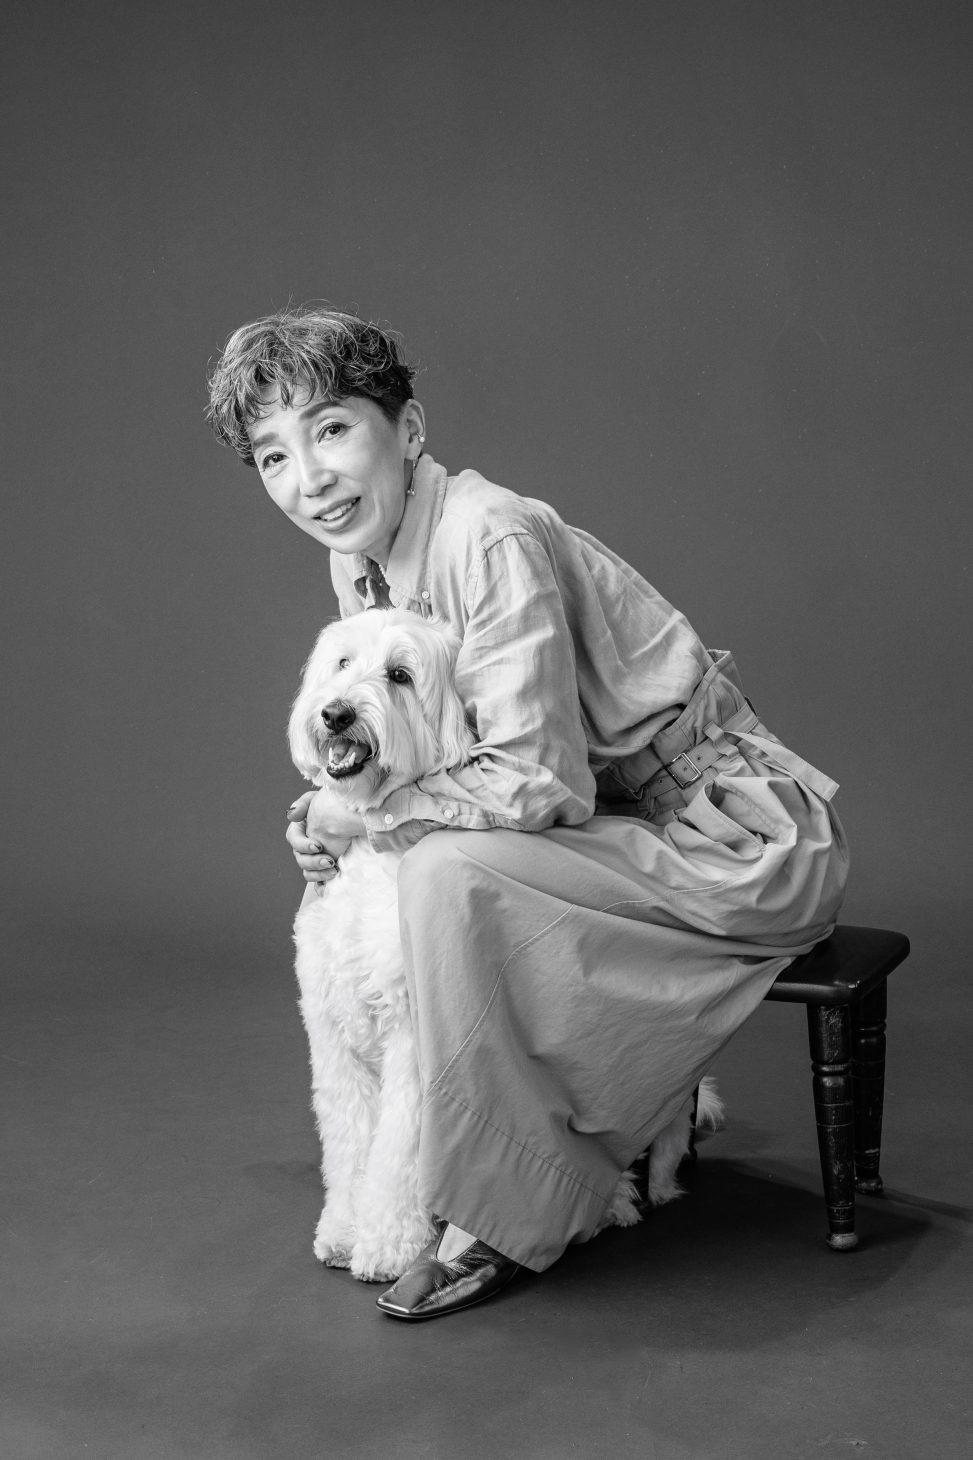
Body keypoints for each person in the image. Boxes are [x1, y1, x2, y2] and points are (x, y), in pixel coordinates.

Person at [206, 306, 849, 1321]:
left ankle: (502, 1212)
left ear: (407, 429)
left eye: (330, 430)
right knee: (396, 875)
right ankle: (551, 1139)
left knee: (442, 870)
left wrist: (363, 819)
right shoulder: (362, 553)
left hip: (735, 839)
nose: (310, 479)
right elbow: (415, 746)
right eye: (274, 456)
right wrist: (334, 800)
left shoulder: (485, 533)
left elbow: (535, 783)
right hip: (613, 833)